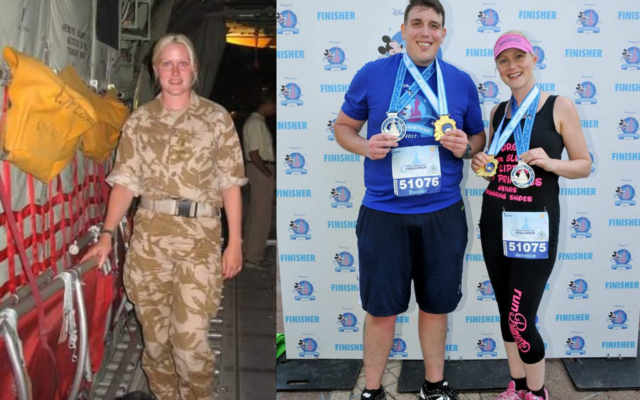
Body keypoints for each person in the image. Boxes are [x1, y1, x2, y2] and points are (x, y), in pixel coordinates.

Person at [333, 1, 486, 399]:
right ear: (402, 30)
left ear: (443, 33)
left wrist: (464, 147)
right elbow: (343, 127)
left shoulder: (460, 81)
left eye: (433, 25)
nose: (425, 32)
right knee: (381, 310)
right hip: (384, 213)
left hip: (442, 213)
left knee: (436, 307)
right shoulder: (372, 74)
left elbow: (477, 138)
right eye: (416, 23)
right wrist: (366, 146)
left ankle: (434, 387)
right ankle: (372, 391)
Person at [81, 33, 246, 400]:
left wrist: (234, 243)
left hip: (199, 241)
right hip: (150, 244)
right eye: (167, 64)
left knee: (188, 345)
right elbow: (124, 184)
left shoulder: (216, 119)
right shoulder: (139, 122)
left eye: (182, 63)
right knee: (155, 345)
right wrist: (107, 234)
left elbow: (231, 185)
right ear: (156, 71)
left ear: (195, 69)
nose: (175, 72)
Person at [471, 31, 590, 400]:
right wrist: (483, 165)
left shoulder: (560, 106)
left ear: (533, 58)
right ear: (497, 68)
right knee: (507, 313)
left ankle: (537, 394)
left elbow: (583, 165)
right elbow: (496, 169)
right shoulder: (497, 112)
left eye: (518, 57)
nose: (512, 66)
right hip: (494, 222)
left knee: (522, 320)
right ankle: (517, 385)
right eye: (503, 61)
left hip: (534, 228)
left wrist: (551, 163)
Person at [242, 96, 276, 269]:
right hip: (260, 170)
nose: (275, 110)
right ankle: (254, 257)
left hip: (258, 170)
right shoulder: (256, 123)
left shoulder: (255, 121)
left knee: (256, 213)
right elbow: (254, 154)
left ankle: (249, 252)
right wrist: (268, 173)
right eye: (274, 106)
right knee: (261, 216)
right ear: (267, 104)